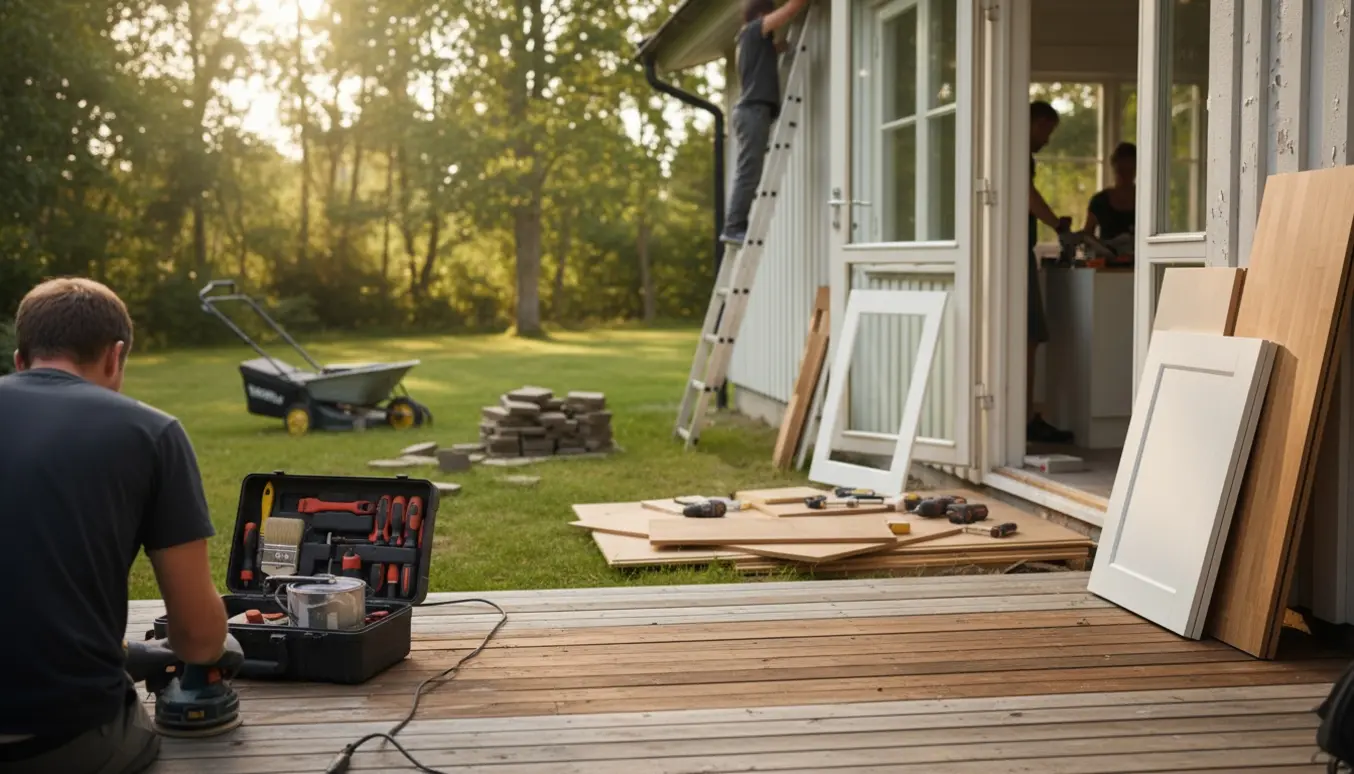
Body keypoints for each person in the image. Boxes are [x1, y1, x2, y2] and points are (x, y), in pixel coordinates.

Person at [0, 278, 229, 774]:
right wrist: (215, 642)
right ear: (115, 357)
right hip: (57, 743)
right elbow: (196, 639)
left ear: (20, 361)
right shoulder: (151, 433)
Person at [720, 0, 810, 247]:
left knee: (749, 170)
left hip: (754, 112)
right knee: (749, 172)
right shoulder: (753, 30)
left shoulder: (753, 42)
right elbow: (790, 10)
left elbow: (777, 48)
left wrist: (782, 47)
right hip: (752, 112)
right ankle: (733, 227)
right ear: (761, 14)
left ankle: (736, 224)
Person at [1027, 100, 1075, 445]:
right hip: (1015, 256)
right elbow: (1028, 196)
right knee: (1028, 337)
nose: (1046, 140)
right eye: (1046, 130)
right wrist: (1057, 224)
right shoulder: (1017, 153)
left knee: (1027, 337)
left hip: (1016, 253)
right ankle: (1026, 419)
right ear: (1035, 122)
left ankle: (1024, 416)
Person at [1084, 141, 1136, 243]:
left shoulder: (1144, 201)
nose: (1125, 176)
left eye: (1129, 170)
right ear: (1114, 168)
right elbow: (1087, 235)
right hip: (1107, 257)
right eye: (1121, 170)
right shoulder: (1100, 201)